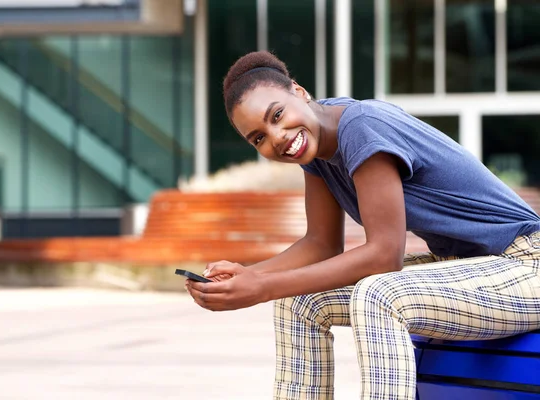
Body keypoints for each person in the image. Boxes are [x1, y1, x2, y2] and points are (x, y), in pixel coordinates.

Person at [185, 51, 540, 400]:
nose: (277, 137)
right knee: (301, 302)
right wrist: (248, 276)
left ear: (299, 91)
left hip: (527, 263)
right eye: (259, 137)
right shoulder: (317, 146)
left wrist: (261, 288)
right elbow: (320, 244)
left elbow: (385, 255)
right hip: (467, 267)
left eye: (277, 115)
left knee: (379, 296)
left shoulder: (360, 126)